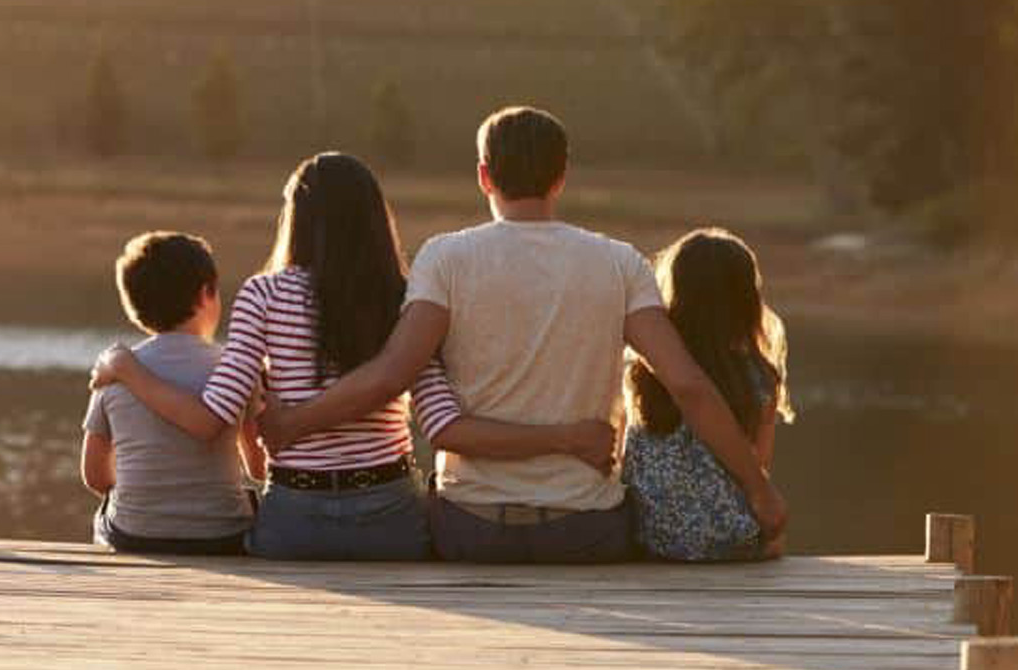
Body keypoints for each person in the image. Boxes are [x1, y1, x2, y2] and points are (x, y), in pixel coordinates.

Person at [258, 107, 787, 564]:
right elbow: (689, 386)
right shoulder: (619, 263)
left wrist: (293, 422)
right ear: (561, 177)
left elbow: (393, 373)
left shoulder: (445, 258)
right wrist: (759, 492)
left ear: (484, 176)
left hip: (470, 528)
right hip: (586, 531)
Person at [92, 152, 614, 561]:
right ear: (373, 217)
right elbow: (442, 421)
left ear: (296, 218)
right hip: (390, 519)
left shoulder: (263, 295)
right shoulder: (405, 296)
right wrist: (565, 439)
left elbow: (212, 418)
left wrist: (126, 368)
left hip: (293, 522)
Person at [81, 232, 262, 555]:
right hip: (222, 534)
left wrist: (145, 501)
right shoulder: (235, 369)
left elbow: (94, 475)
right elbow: (258, 467)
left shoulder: (113, 371)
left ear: (134, 306)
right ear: (207, 294)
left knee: (107, 514)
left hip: (134, 533)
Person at [624, 228, 794, 561]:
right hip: (729, 538)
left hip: (647, 534)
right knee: (775, 542)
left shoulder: (646, 370)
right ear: (747, 299)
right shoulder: (758, 376)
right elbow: (757, 465)